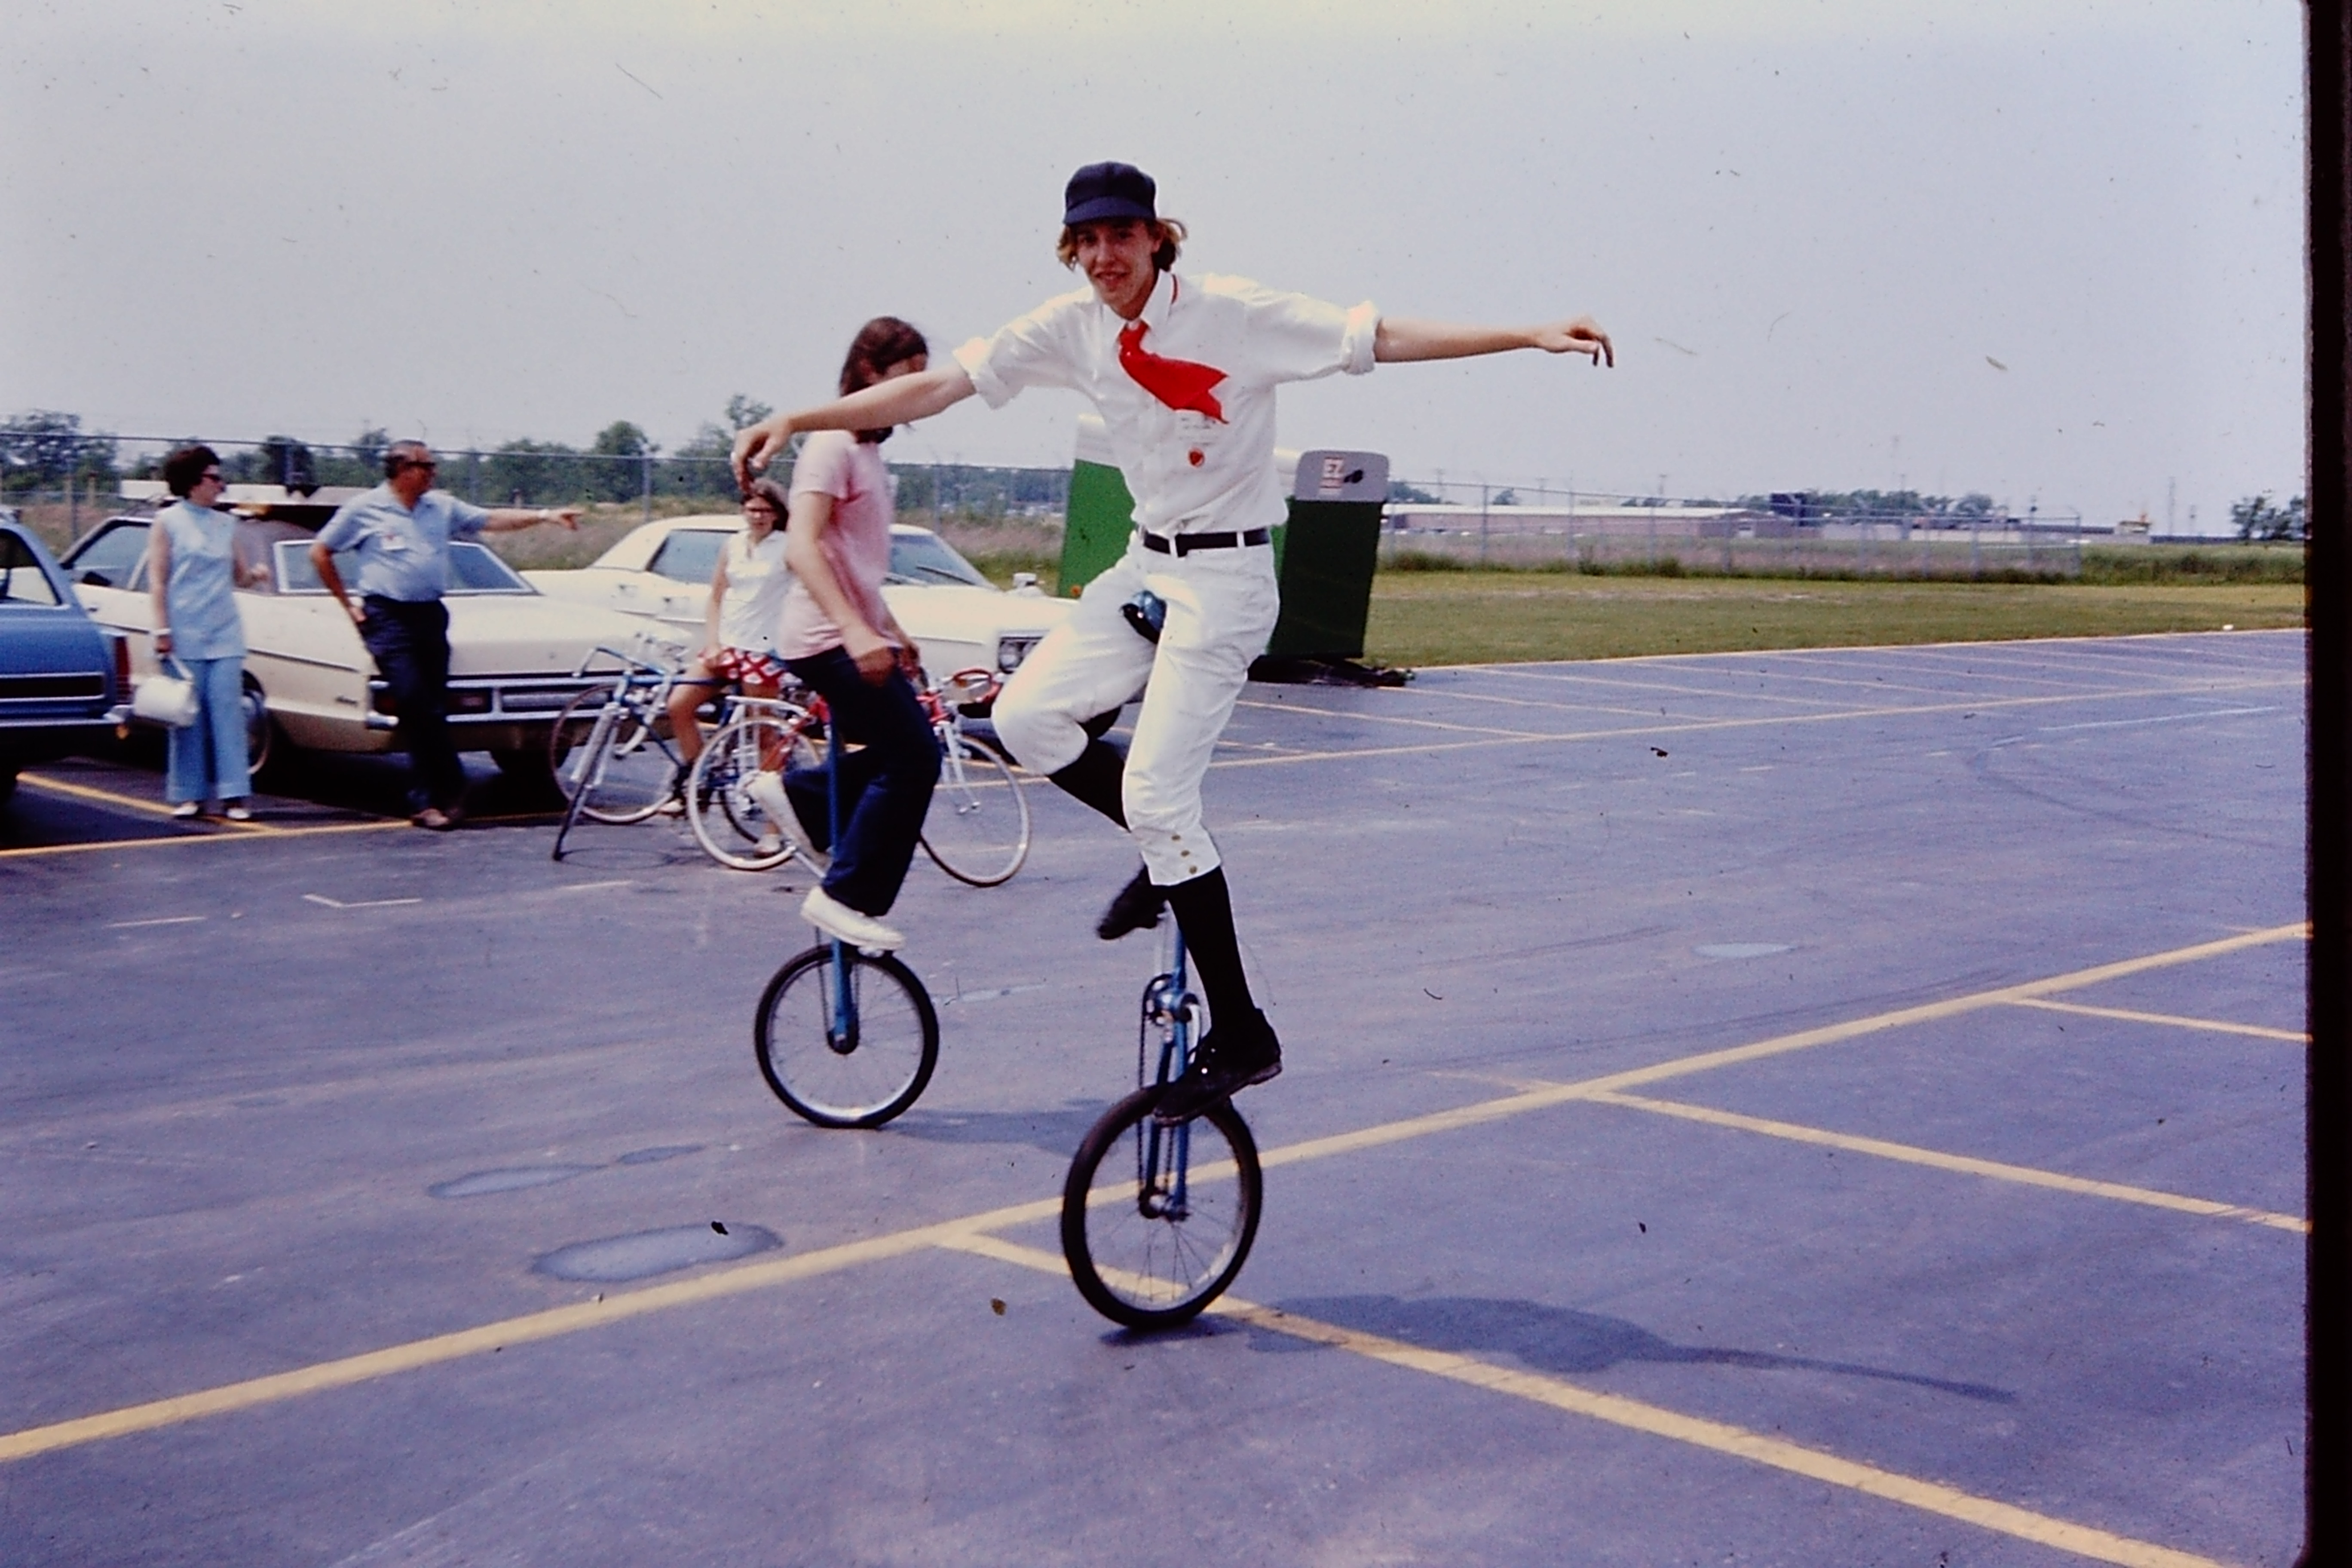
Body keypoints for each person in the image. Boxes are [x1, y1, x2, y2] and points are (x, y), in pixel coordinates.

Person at [735, 162, 1612, 1119]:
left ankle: (1243, 1031)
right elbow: (931, 392)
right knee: (1024, 719)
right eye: (1089, 241)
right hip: (1143, 567)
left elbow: (1380, 336)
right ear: (1073, 250)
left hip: (1226, 582)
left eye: (1124, 235)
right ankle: (1164, 858)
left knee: (1158, 793)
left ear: (1159, 237)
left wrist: (1527, 333)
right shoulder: (1067, 328)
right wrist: (799, 418)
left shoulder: (1235, 314)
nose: (1107, 256)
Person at [766, 316, 940, 952]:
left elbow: (855, 559)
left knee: (904, 752)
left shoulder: (866, 452)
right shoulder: (830, 444)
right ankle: (846, 896)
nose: (918, 397)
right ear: (870, 375)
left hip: (852, 632)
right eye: (908, 379)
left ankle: (803, 796)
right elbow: (803, 549)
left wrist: (891, 627)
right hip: (822, 638)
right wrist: (856, 632)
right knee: (917, 756)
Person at [310, 441, 581, 829]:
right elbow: (321, 552)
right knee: (413, 700)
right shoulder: (364, 509)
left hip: (429, 615)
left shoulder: (441, 507)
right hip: (387, 615)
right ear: (403, 469)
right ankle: (444, 789)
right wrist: (348, 605)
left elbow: (491, 520)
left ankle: (436, 798)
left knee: (432, 707)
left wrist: (545, 516)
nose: (434, 472)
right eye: (427, 466)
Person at [664, 477, 793, 837]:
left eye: (766, 511)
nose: (758, 517)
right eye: (752, 509)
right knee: (679, 704)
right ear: (743, 510)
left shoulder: (787, 547)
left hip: (763, 647)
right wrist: (715, 642)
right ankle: (698, 782)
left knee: (763, 734)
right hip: (729, 644)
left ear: (778, 514)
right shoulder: (733, 545)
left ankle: (774, 828)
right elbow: (717, 596)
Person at [147, 444, 269, 821]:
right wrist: (162, 629)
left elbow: (239, 575)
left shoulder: (226, 523)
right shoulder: (168, 521)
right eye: (214, 478)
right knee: (188, 715)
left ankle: (235, 795)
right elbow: (158, 580)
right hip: (184, 631)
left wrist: (257, 576)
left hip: (224, 631)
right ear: (193, 482)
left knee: (229, 713)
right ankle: (189, 794)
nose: (221, 485)